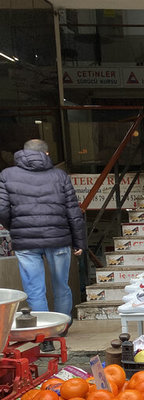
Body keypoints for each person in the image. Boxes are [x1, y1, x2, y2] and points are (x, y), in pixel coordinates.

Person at [0, 139, 87, 335]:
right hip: (59, 238)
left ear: (23, 152)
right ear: (46, 154)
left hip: (26, 242)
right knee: (61, 286)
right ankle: (61, 328)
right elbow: (73, 211)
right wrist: (79, 241)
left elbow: (2, 209)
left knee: (34, 289)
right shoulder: (59, 175)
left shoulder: (7, 174)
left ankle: (43, 334)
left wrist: (14, 226)